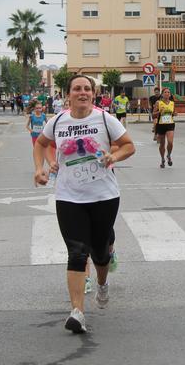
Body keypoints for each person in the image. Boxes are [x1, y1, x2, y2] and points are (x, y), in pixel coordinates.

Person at [33, 74, 135, 334]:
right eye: (77, 88)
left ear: (93, 93)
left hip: (104, 196)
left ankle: (102, 283)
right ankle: (77, 312)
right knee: (77, 252)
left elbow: (128, 146)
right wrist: (40, 168)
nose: (82, 92)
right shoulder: (58, 121)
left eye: (87, 89)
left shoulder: (105, 119)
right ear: (68, 94)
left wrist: (114, 156)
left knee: (100, 251)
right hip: (69, 196)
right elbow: (41, 144)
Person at [153, 87, 176, 168]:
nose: (167, 93)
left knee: (170, 142)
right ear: (162, 94)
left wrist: (175, 113)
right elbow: (153, 114)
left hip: (170, 124)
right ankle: (162, 159)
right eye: (165, 92)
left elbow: (174, 113)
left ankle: (168, 155)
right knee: (162, 144)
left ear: (170, 94)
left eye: (168, 92)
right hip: (161, 125)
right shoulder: (158, 103)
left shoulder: (172, 103)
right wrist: (159, 112)